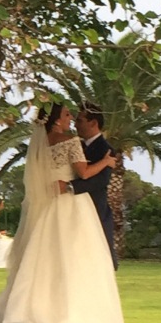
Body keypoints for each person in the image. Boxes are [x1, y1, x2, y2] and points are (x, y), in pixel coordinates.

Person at [0, 104, 144, 323]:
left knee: (47, 258)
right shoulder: (70, 141)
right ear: (56, 120)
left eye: (75, 116)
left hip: (50, 208)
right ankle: (70, 316)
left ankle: (34, 309)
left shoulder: (41, 143)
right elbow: (85, 172)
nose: (72, 119)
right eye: (68, 115)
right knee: (76, 258)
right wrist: (105, 162)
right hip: (72, 207)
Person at [60, 103, 118, 269]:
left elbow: (100, 181)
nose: (75, 124)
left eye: (79, 120)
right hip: (71, 209)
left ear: (93, 123)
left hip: (94, 210)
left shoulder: (106, 150)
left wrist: (70, 187)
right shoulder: (73, 144)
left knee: (99, 258)